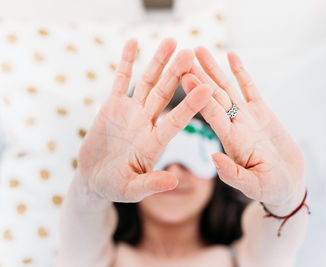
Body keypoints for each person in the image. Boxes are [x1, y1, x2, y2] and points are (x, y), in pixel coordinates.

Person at [56, 38, 309, 267]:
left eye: (193, 153)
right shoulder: (96, 259)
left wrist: (287, 199)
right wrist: (88, 186)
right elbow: (78, 247)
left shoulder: (245, 259)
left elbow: (274, 249)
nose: (175, 171)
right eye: (159, 154)